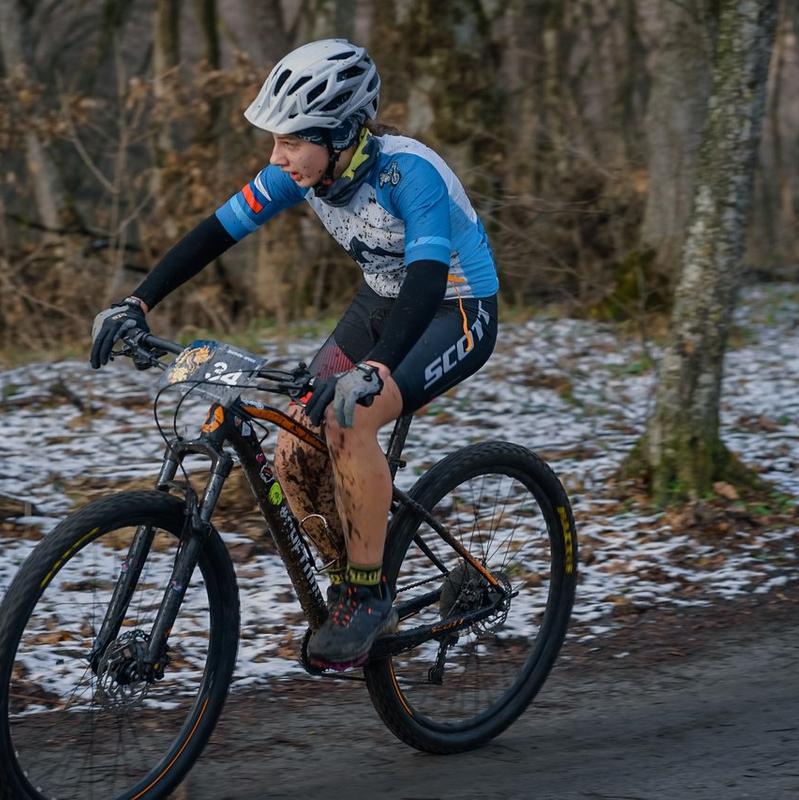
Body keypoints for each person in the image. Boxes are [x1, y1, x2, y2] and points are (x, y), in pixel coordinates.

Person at [90, 39, 499, 669]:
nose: (276, 157)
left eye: (290, 142)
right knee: (293, 443)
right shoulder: (302, 171)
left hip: (454, 308)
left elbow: (424, 277)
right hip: (384, 301)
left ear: (340, 135)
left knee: (349, 417)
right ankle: (354, 573)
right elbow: (215, 232)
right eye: (276, 142)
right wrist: (137, 302)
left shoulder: (407, 172)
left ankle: (368, 597)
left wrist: (377, 367)